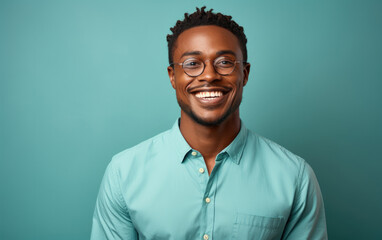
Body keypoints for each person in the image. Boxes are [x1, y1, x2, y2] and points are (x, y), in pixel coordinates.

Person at [91, 7, 327, 240]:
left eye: (224, 62)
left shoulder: (294, 177)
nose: (209, 75)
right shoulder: (123, 174)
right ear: (173, 76)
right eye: (192, 63)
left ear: (244, 74)